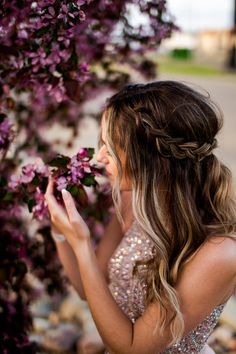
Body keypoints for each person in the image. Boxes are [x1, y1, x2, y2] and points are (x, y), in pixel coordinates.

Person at [44, 81, 236, 354]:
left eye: (111, 147)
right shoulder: (130, 204)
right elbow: (89, 288)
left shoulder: (220, 253)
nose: (99, 157)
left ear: (154, 160)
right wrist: (60, 232)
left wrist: (82, 243)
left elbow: (133, 347)